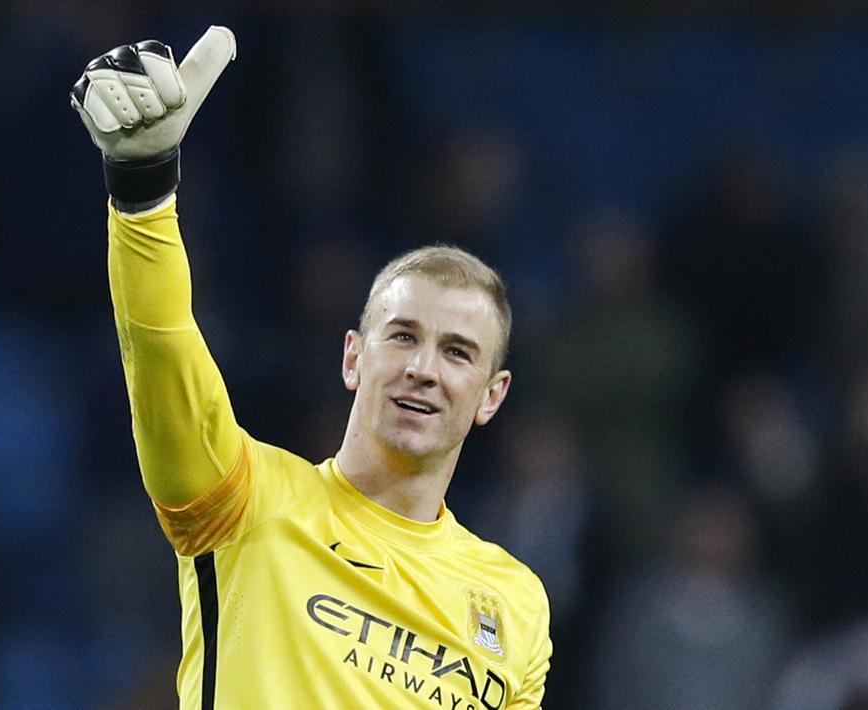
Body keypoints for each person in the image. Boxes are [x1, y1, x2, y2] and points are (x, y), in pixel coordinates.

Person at [70, 26, 551, 709]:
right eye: (403, 336)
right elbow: (160, 342)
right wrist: (145, 197)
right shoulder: (244, 500)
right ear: (353, 357)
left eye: (457, 352)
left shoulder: (515, 601)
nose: (423, 368)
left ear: (491, 396)